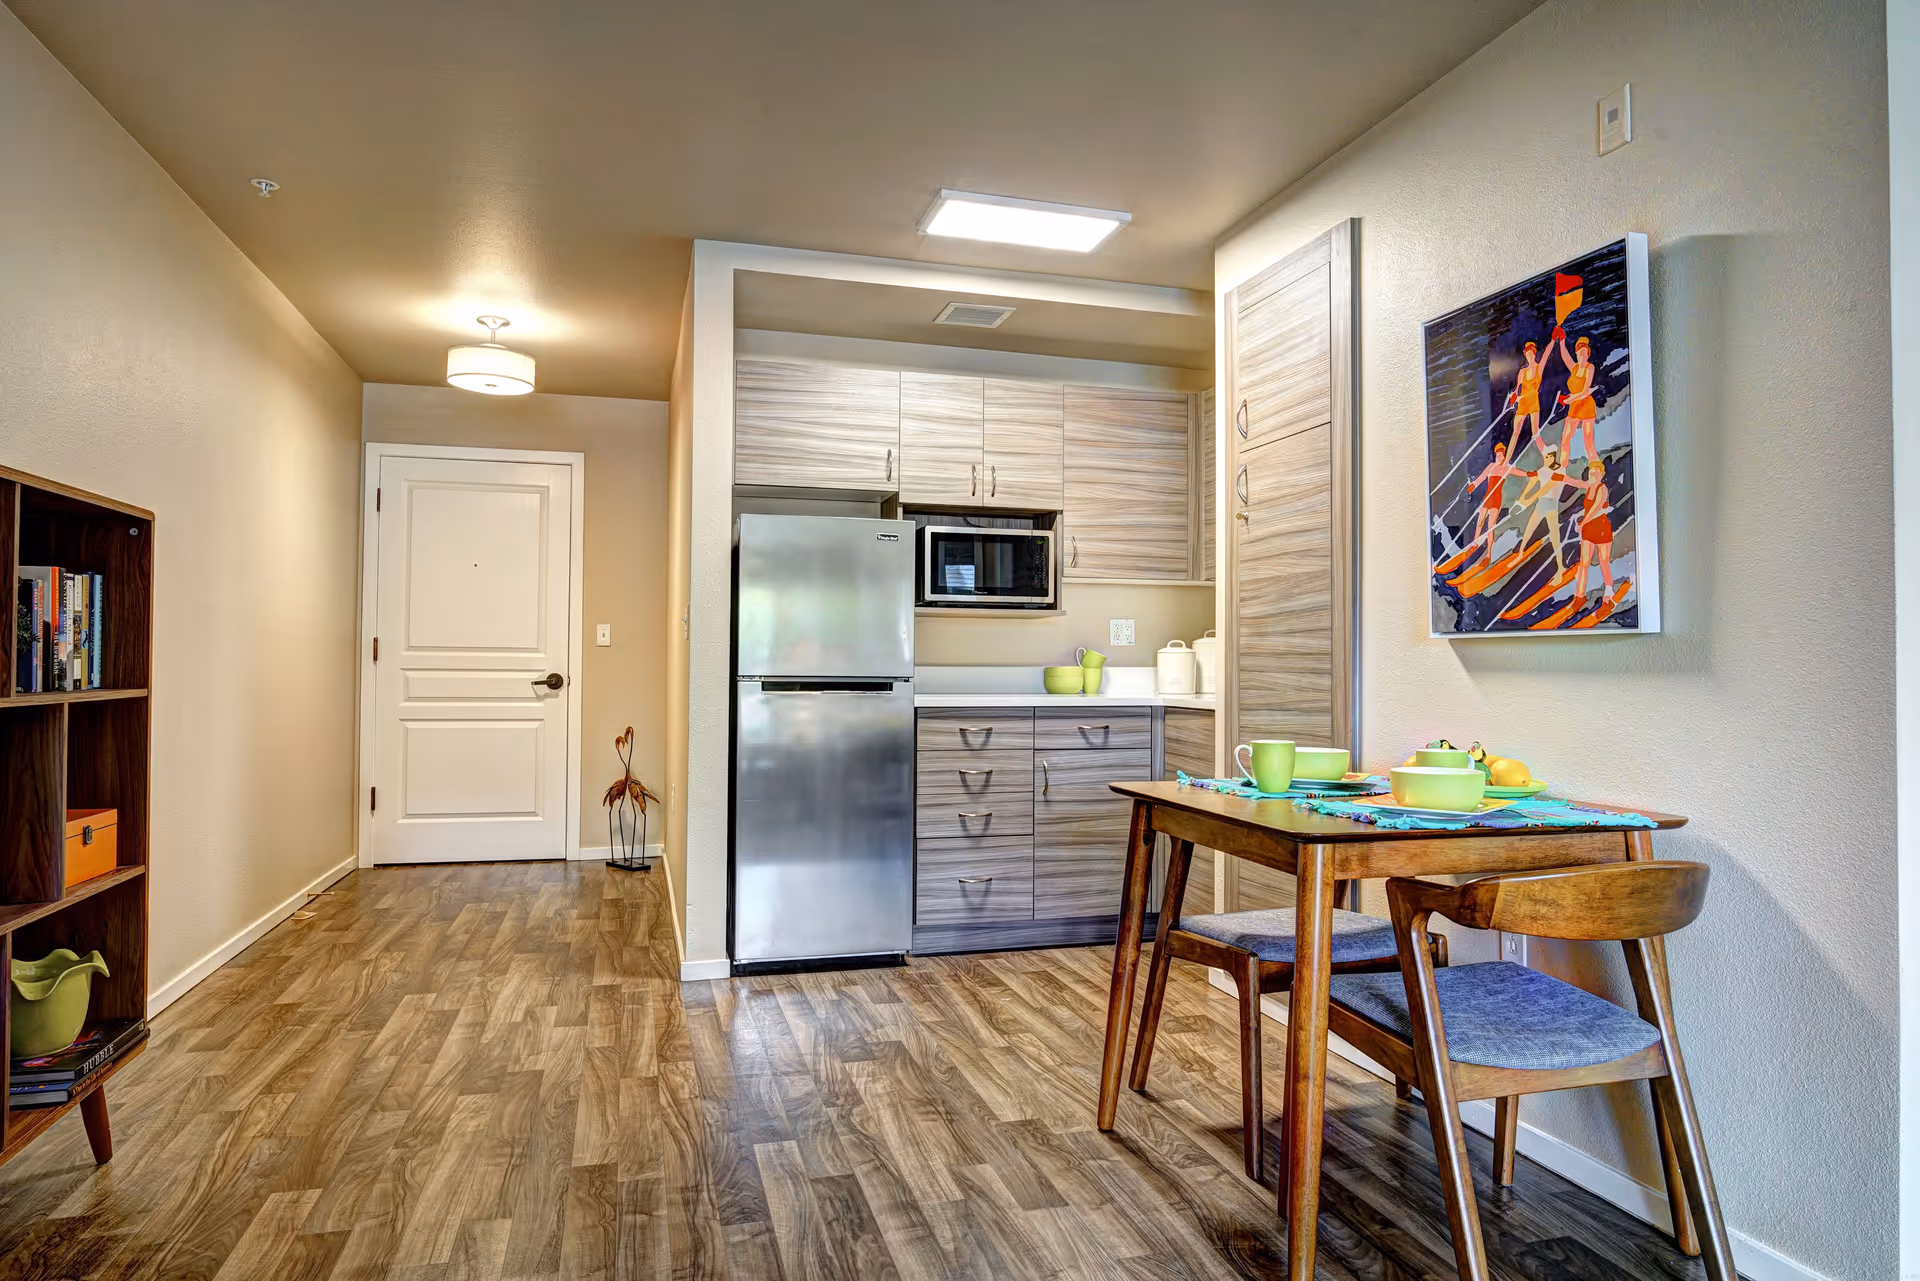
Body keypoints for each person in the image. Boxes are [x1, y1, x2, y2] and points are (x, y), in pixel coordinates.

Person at [1513, 445, 1572, 575]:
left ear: (1553, 457)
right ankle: (1520, 553)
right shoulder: (1542, 470)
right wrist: (1522, 498)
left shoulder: (1558, 470)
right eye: (1545, 457)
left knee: (1554, 535)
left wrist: (1530, 500)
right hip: (1541, 504)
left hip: (1551, 504)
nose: (1547, 459)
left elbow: (1546, 488)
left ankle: (1560, 566)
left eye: (1549, 457)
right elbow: (1532, 483)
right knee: (1529, 528)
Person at [1564, 458, 1616, 602]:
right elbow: (1576, 483)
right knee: (1584, 562)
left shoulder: (1602, 489)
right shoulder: (1589, 487)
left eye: (1595, 474)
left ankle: (1609, 590)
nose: (1592, 476)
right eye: (1591, 473)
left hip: (1602, 530)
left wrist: (1582, 522)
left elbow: (1594, 509)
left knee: (1603, 561)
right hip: (1588, 529)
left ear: (1601, 475)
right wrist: (1561, 477)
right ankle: (1579, 596)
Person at [1555, 329, 1601, 465]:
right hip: (1574, 408)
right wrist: (1561, 340)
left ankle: (1596, 470)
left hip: (1586, 407)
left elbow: (1585, 391)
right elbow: (1564, 355)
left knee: (1588, 442)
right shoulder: (1574, 367)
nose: (1582, 353)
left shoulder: (1589, 367)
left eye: (1585, 351)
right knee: (1565, 440)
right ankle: (1563, 469)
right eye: (1580, 350)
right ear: (1576, 352)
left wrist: (1569, 399)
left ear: (1588, 353)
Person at [1465, 441, 1513, 557]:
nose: (1498, 457)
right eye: (1497, 455)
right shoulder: (1491, 466)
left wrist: (1530, 474)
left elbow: (1518, 472)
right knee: (1480, 522)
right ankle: (1474, 545)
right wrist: (1473, 486)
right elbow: (1481, 477)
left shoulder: (1506, 468)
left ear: (1504, 456)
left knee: (1490, 526)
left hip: (1496, 500)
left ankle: (1489, 554)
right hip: (1487, 498)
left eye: (1500, 455)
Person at [1504, 340, 1550, 457]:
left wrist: (1553, 340)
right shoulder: (1522, 372)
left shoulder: (1538, 369)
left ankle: (1546, 454)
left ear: (1534, 354)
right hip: (1523, 403)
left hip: (1533, 402)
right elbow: (1517, 389)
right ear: (1525, 354)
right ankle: (1506, 461)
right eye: (1527, 353)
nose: (1529, 355)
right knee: (1515, 433)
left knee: (1535, 432)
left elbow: (1545, 355)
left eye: (1531, 353)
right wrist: (1514, 397)